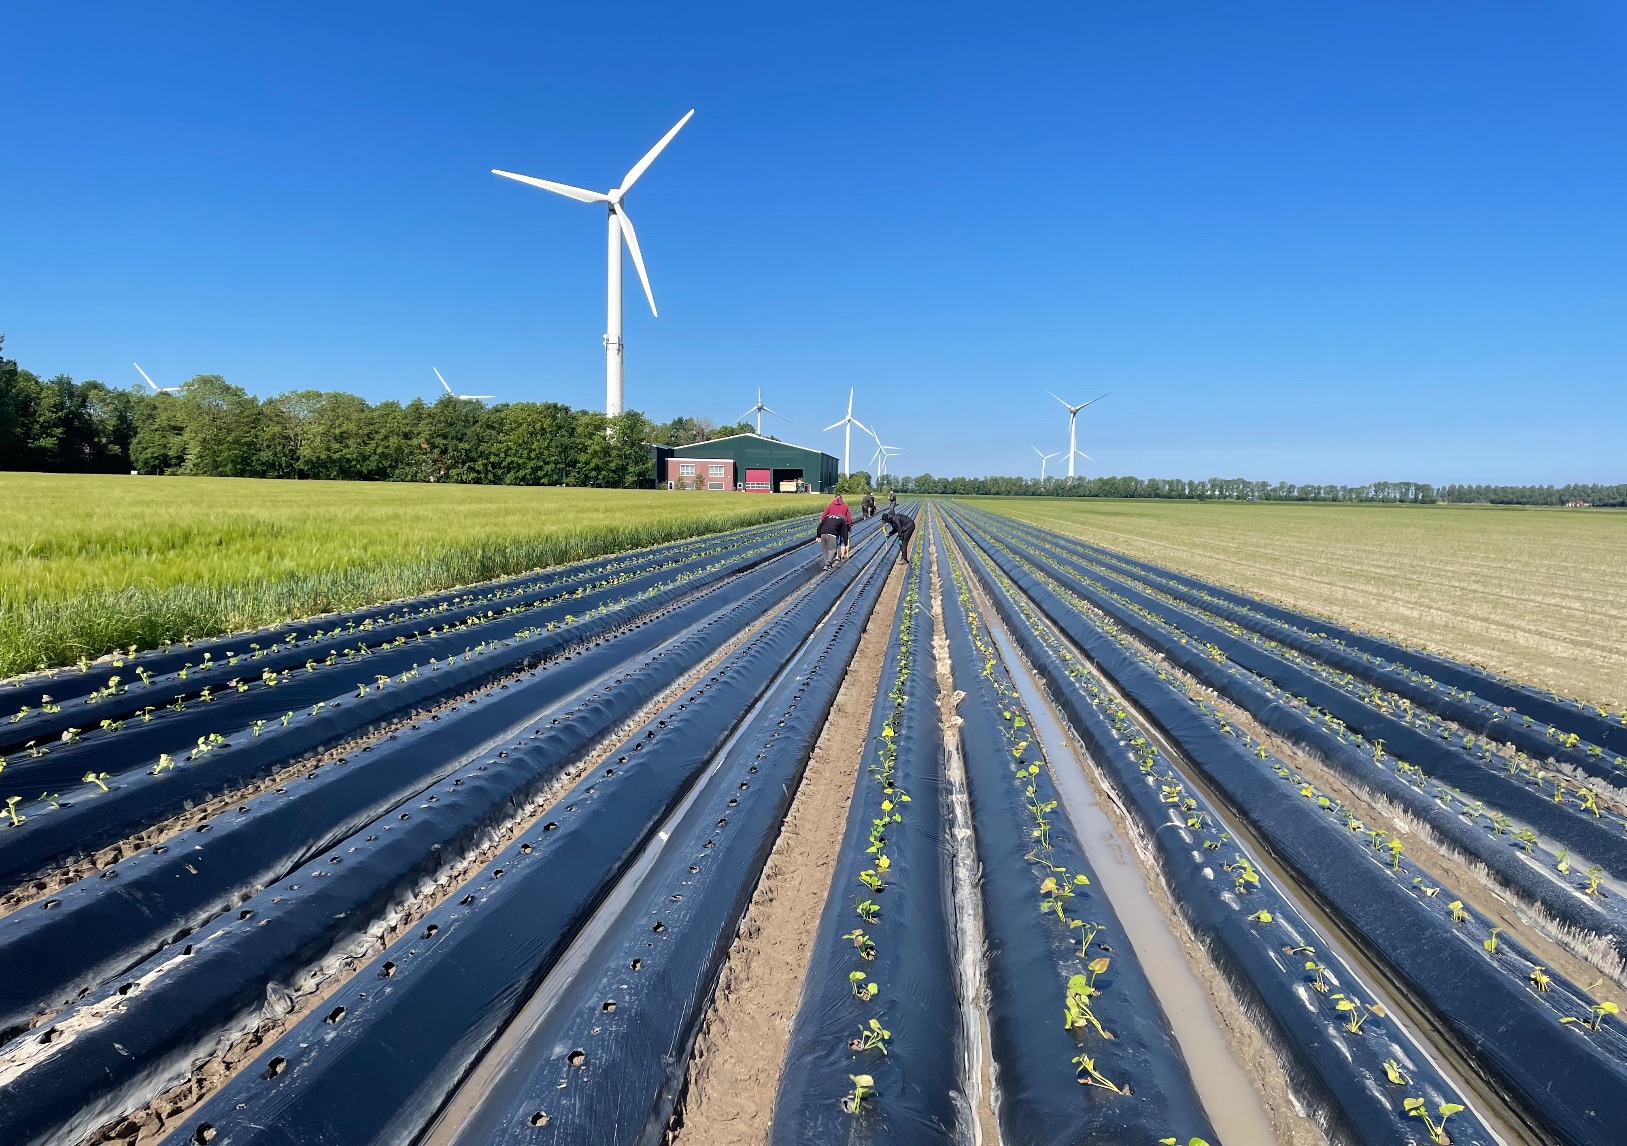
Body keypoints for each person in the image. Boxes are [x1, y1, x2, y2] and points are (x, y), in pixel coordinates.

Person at [818, 494, 853, 566]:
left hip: (833, 526)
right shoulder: (845, 506)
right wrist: (849, 525)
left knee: (835, 541)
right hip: (843, 525)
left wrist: (825, 522)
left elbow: (824, 515)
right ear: (842, 499)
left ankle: (837, 557)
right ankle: (842, 556)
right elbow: (849, 518)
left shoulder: (830, 505)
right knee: (843, 540)